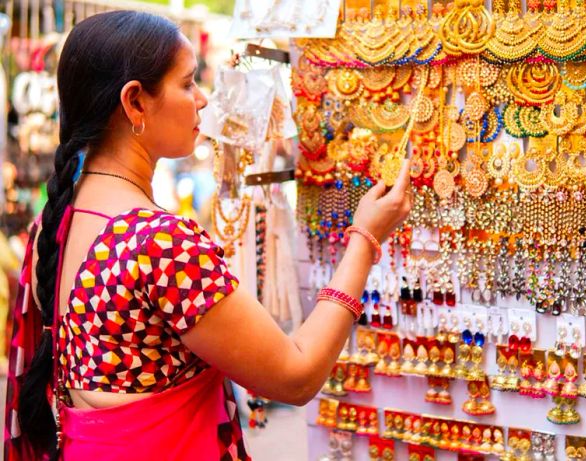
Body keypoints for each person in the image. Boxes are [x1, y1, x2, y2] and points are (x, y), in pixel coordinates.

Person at [4, 10, 412, 461]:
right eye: (188, 83)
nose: (202, 100)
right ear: (135, 102)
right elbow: (296, 376)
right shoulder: (158, 243)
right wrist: (365, 239)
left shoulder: (57, 220)